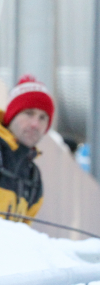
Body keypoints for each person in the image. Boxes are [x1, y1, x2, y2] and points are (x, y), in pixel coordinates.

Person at [1, 75, 54, 224]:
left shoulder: (33, 180)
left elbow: (24, 239)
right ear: (11, 116)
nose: (35, 124)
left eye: (42, 117)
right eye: (28, 113)